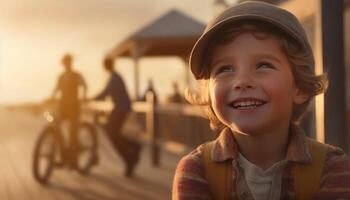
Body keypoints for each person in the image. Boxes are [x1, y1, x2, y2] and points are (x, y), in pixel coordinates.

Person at [172, 1, 350, 200]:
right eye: (225, 69)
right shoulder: (196, 170)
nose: (242, 82)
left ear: (299, 87)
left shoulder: (331, 168)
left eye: (263, 65)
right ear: (209, 93)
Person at [93, 57, 141, 177]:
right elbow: (107, 93)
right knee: (112, 133)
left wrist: (91, 98)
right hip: (120, 108)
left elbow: (105, 93)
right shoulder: (114, 76)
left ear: (107, 65)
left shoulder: (114, 78)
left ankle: (132, 151)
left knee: (111, 133)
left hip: (120, 109)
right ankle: (131, 153)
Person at [51, 53, 87, 167]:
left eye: (68, 61)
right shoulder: (61, 76)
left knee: (73, 133)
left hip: (74, 106)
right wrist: (51, 99)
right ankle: (64, 155)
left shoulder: (76, 75)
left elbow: (84, 85)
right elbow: (56, 89)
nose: (66, 64)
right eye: (65, 62)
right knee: (57, 127)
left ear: (70, 62)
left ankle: (74, 160)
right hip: (63, 106)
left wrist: (84, 97)